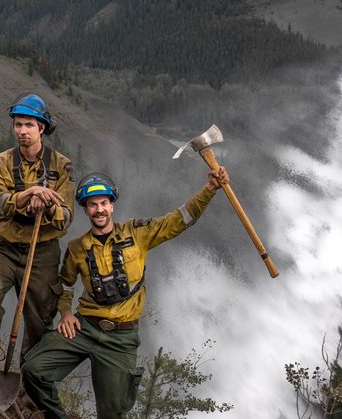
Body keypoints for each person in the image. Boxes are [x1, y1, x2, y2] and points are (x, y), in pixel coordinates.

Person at [22, 170, 227, 419]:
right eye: (93, 205)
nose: (99, 210)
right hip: (85, 327)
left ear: (112, 205)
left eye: (104, 203)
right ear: (86, 209)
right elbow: (64, 285)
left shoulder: (137, 232)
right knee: (33, 369)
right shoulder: (77, 248)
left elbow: (178, 220)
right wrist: (65, 313)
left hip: (121, 338)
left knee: (112, 413)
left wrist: (210, 188)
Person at [0, 93, 75, 380]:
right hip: (6, 246)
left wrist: (49, 204)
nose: (22, 131)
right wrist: (29, 194)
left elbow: (67, 217)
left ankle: (30, 376)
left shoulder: (62, 166)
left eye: (29, 125)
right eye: (18, 125)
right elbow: (2, 201)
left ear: (42, 128)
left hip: (43, 249)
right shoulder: (1, 161)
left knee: (40, 318)